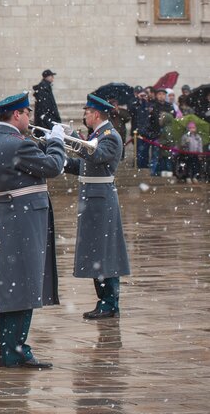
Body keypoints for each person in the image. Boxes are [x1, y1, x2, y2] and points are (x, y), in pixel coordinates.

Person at [0, 92, 66, 369]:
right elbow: (53, 167)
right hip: (25, 218)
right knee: (25, 286)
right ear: (16, 115)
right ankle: (17, 350)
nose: (30, 118)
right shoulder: (17, 144)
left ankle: (10, 349)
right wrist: (57, 141)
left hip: (9, 216)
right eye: (27, 113)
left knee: (11, 287)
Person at [63, 95, 131, 319]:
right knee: (95, 251)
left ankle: (110, 303)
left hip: (101, 198)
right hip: (92, 198)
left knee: (105, 252)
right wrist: (57, 157)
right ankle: (104, 300)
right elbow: (83, 165)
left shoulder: (109, 136)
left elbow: (97, 156)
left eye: (87, 112)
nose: (85, 116)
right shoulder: (96, 136)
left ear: (96, 114)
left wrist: (73, 139)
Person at [129, 87, 152, 169]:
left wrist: (146, 101)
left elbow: (152, 115)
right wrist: (138, 100)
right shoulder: (134, 103)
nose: (143, 96)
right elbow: (131, 112)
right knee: (138, 150)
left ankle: (144, 166)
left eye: (144, 95)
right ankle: (137, 166)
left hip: (147, 132)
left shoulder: (149, 104)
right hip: (137, 132)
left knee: (145, 151)